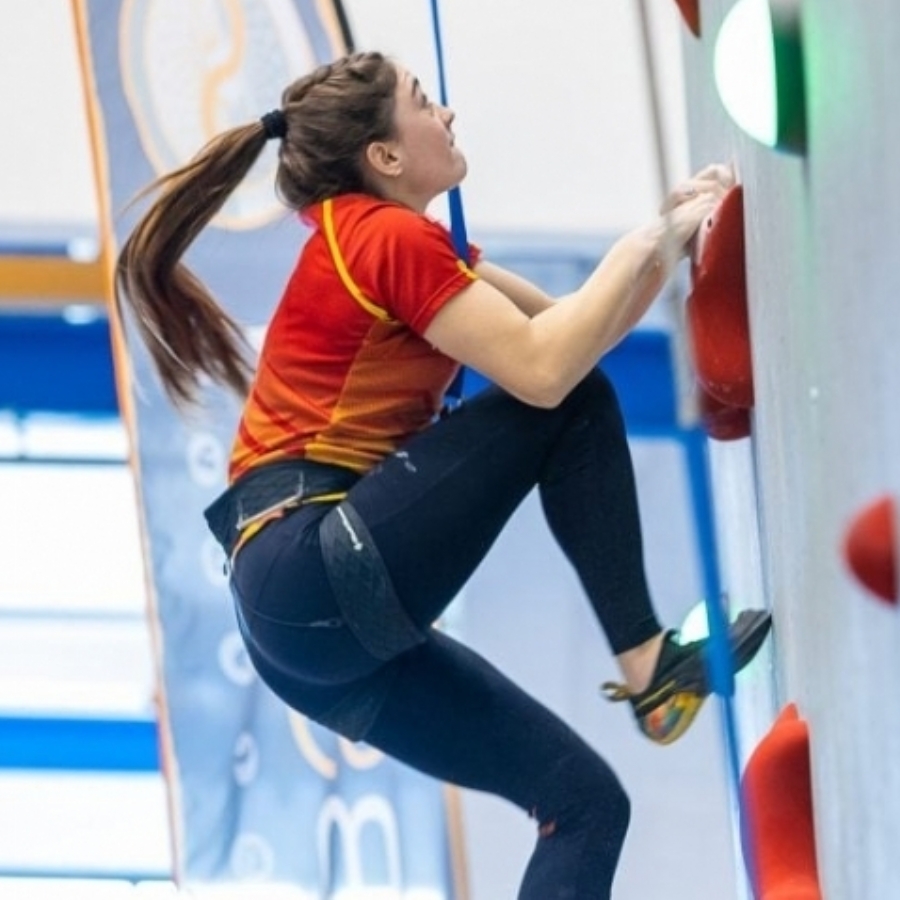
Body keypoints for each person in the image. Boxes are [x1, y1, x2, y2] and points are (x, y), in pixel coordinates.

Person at [116, 51, 771, 900]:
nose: (449, 114)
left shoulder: (385, 244)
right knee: (567, 404)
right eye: (425, 103)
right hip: (309, 572)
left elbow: (572, 330)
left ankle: (651, 673)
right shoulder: (381, 237)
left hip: (304, 631)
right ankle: (647, 665)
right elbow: (546, 375)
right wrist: (654, 240)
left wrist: (669, 225)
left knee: (584, 804)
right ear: (384, 157)